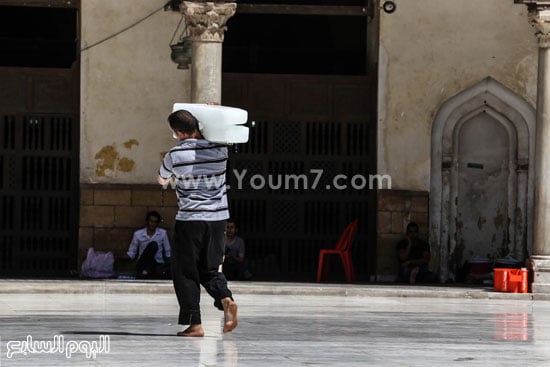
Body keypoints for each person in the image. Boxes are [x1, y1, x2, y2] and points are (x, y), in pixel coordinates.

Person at [158, 109, 238, 337]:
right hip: (218, 220)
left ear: (179, 132)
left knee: (185, 272)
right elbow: (221, 130)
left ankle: (195, 324)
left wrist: (168, 177)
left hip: (191, 220)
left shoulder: (174, 155)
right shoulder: (220, 150)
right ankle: (225, 298)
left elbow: (162, 178)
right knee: (210, 269)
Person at [123, 210, 171, 278]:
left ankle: (148, 273)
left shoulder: (163, 233)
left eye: (155, 222)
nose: (152, 224)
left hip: (157, 264)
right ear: (147, 221)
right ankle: (146, 272)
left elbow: (168, 253)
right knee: (153, 245)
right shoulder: (138, 234)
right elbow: (132, 252)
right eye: (151, 221)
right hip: (143, 263)